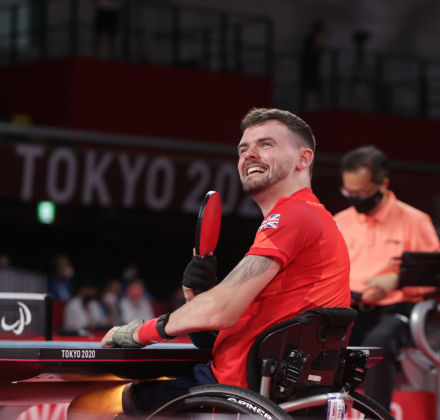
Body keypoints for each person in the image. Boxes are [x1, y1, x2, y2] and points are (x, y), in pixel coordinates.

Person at [67, 108, 351, 419]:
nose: (249, 154)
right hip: (271, 393)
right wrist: (199, 298)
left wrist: (137, 333)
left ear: (303, 159)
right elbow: (243, 326)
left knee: (87, 408)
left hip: (235, 395)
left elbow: (222, 309)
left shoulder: (294, 214)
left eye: (266, 144)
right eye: (243, 149)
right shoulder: (318, 218)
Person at [334, 146, 440, 412]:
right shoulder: (340, 222)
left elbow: (437, 274)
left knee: (376, 346)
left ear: (383, 184)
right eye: (349, 192)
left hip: (396, 311)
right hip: (350, 310)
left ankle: (376, 416)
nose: (355, 199)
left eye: (361, 193)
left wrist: (397, 279)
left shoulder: (415, 221)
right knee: (317, 340)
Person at [300, 21, 326, 111]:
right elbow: (314, 49)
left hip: (314, 68)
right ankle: (304, 109)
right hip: (308, 68)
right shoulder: (309, 40)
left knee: (317, 89)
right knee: (306, 89)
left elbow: (322, 49)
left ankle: (322, 108)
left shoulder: (315, 39)